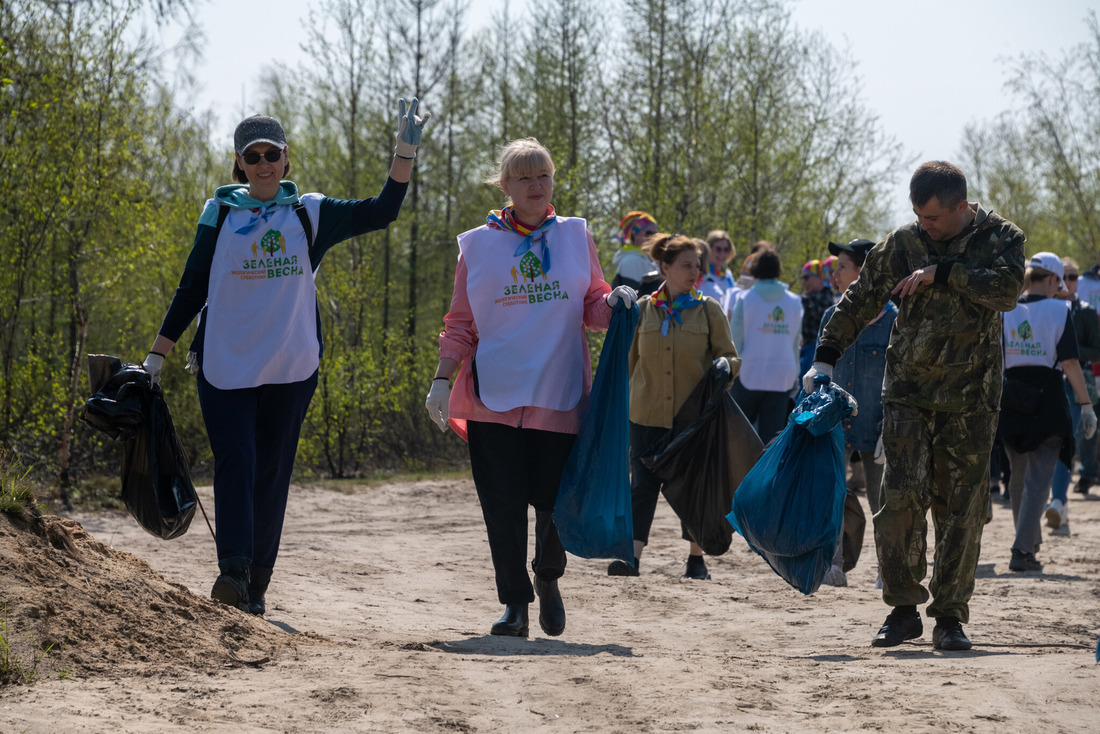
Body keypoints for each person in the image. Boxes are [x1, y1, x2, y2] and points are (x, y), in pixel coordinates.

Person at [142, 100, 429, 615]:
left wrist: (404, 153)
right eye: (252, 156)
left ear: (286, 157)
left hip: (289, 367)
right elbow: (192, 286)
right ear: (239, 165)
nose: (263, 163)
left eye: (271, 152)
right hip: (225, 365)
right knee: (237, 461)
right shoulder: (221, 213)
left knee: (272, 469)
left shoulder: (309, 212)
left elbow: (383, 211)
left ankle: (257, 581)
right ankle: (232, 572)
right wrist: (158, 352)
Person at [807, 161, 1026, 651]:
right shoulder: (903, 243)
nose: (924, 226)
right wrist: (825, 359)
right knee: (900, 500)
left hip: (972, 399)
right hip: (907, 392)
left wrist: (942, 273)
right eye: (918, 217)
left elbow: (1008, 291)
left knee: (961, 510)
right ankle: (903, 609)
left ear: (961, 208)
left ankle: (950, 616)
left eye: (932, 218)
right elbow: (861, 298)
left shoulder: (1002, 238)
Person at [424, 138, 636, 638]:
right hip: (491, 397)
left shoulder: (574, 236)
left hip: (559, 394)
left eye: (543, 175)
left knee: (554, 503)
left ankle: (548, 575)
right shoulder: (476, 245)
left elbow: (592, 302)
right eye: (524, 177)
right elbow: (460, 321)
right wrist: (441, 379)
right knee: (501, 506)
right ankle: (515, 605)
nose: (536, 185)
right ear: (505, 186)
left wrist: (617, 301)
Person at [606, 233, 740, 580]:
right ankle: (631, 558)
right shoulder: (641, 310)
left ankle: (696, 560)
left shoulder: (709, 310)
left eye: (698, 266)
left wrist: (727, 366)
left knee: (693, 486)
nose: (694, 271)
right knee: (642, 485)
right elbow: (629, 365)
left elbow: (729, 355)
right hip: (646, 413)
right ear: (665, 267)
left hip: (692, 418)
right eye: (686, 265)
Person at [999, 253, 1097, 572]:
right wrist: (1086, 405)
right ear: (1054, 280)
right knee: (1039, 481)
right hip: (1047, 398)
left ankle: (1028, 541)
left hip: (1011, 394)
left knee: (1018, 478)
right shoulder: (1060, 310)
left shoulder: (1005, 309)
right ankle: (1023, 549)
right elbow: (1069, 362)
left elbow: (997, 359)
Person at [816, 238, 897, 587]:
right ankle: (833, 564)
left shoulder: (897, 320)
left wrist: (891, 426)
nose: (834, 273)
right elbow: (818, 372)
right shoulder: (830, 316)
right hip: (836, 423)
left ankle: (887, 569)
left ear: (863, 273)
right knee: (830, 495)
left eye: (842, 266)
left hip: (879, 425)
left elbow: (902, 375)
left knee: (885, 502)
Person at [1047, 256, 1100, 532]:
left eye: (1074, 276)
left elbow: (1097, 349)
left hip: (1076, 384)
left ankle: (1059, 500)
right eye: (1064, 276)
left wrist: (1072, 352)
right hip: (1045, 384)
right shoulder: (1040, 309)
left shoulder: (1086, 311)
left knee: (1070, 440)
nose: (1069, 282)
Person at [729, 248, 803, 445]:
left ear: (754, 270)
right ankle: (768, 476)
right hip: (782, 375)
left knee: (739, 433)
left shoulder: (745, 299)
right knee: (771, 438)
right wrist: (795, 374)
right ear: (778, 270)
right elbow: (795, 342)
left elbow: (734, 341)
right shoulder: (795, 302)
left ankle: (741, 474)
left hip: (748, 373)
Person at [799, 257, 836, 378]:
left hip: (817, 350)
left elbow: (815, 309)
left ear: (818, 277)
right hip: (807, 349)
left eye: (806, 277)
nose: (803, 282)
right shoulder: (810, 297)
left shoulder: (827, 298)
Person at [611, 211, 662, 296]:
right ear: (635, 235)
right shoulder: (632, 260)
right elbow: (632, 299)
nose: (654, 238)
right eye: (649, 233)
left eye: (656, 234)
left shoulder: (646, 259)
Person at [698, 230, 736, 304]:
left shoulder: (728, 275)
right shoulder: (702, 275)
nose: (722, 253)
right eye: (718, 249)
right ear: (709, 250)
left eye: (726, 249)